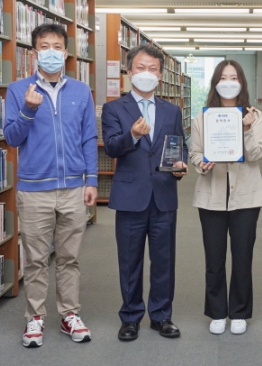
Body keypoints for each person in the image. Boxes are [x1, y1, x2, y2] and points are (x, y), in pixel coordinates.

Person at [4, 24, 97, 348]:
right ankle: (35, 318)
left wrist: (92, 180)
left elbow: (89, 138)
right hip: (33, 190)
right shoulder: (18, 90)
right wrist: (29, 109)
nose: (52, 52)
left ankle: (69, 314)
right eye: (45, 46)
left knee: (70, 258)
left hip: (73, 189)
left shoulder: (81, 91)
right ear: (34, 52)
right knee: (36, 259)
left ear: (67, 52)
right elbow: (12, 138)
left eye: (58, 46)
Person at [101, 44, 188, 342]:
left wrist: (180, 164)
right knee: (130, 260)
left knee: (164, 260)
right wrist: (133, 135)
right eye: (141, 68)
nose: (146, 73)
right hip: (130, 196)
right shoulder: (114, 109)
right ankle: (130, 317)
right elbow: (112, 146)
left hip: (163, 195)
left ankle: (162, 315)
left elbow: (180, 146)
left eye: (153, 69)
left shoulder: (172, 110)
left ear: (161, 75)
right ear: (129, 72)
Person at [189, 60, 262, 335]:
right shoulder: (202, 118)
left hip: (246, 197)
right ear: (216, 82)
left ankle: (240, 311)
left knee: (242, 257)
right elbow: (195, 153)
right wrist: (202, 164)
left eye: (234, 77)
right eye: (224, 77)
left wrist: (245, 129)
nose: (229, 81)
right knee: (214, 257)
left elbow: (257, 153)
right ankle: (218, 311)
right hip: (211, 195)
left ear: (242, 82)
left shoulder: (255, 116)